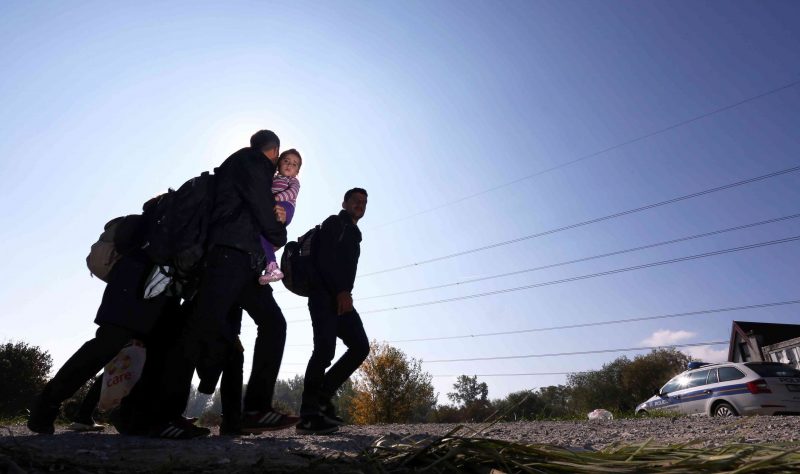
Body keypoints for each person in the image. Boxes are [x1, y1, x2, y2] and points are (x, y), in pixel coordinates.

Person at [154, 130, 296, 438]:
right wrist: (279, 233)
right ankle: (163, 415)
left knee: (272, 323)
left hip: (244, 261)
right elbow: (262, 209)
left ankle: (254, 410)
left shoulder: (240, 165)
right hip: (228, 256)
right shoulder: (252, 162)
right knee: (198, 329)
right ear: (274, 151)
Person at [27, 247, 186, 435]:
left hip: (160, 282)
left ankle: (131, 416)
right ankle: (48, 403)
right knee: (110, 344)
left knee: (153, 352)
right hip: (143, 275)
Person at [297, 188, 370, 435]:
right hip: (323, 296)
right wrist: (340, 291)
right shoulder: (334, 223)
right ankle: (308, 416)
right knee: (324, 351)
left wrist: (344, 293)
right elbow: (324, 260)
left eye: (364, 202)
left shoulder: (353, 232)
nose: (360, 205)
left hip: (341, 299)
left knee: (360, 346)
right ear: (344, 203)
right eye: (356, 200)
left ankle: (322, 399)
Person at [259, 149, 302, 284]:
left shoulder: (293, 181)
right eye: (286, 161)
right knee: (263, 234)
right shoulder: (273, 178)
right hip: (271, 206)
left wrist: (275, 198)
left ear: (297, 172)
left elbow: (292, 193)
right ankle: (272, 267)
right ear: (278, 164)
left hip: (286, 206)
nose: (289, 165)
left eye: (294, 164)